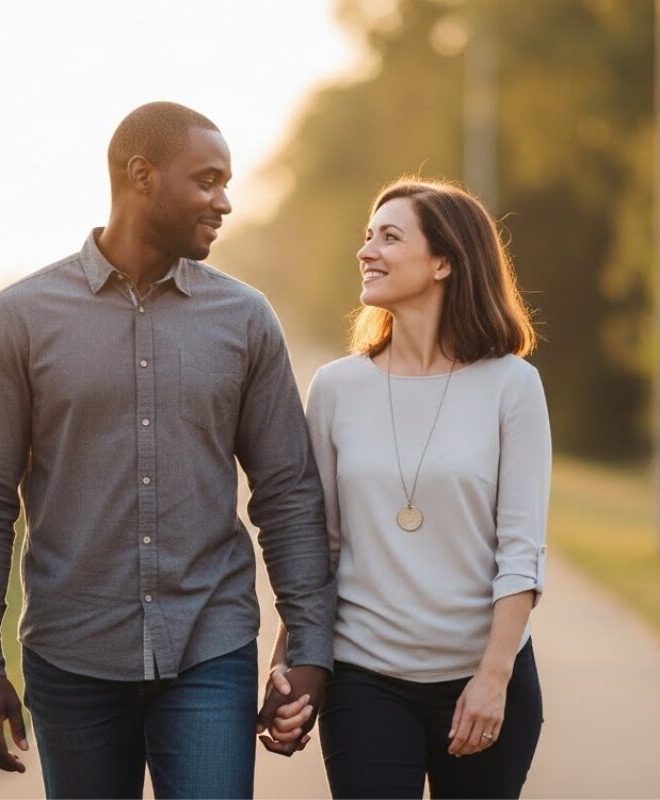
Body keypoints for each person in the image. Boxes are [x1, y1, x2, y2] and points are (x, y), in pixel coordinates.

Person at [0, 101, 335, 800]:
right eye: (208, 180)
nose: (226, 202)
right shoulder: (22, 317)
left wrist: (308, 645)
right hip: (71, 657)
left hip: (210, 649)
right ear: (141, 175)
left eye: (227, 182)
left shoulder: (245, 319)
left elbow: (289, 492)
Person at [262, 178, 550, 799]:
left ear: (444, 261)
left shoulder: (512, 385)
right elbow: (321, 544)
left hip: (483, 676)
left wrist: (494, 677)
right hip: (366, 679)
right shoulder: (336, 387)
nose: (367, 251)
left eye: (390, 237)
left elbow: (521, 550)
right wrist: (292, 662)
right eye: (368, 236)